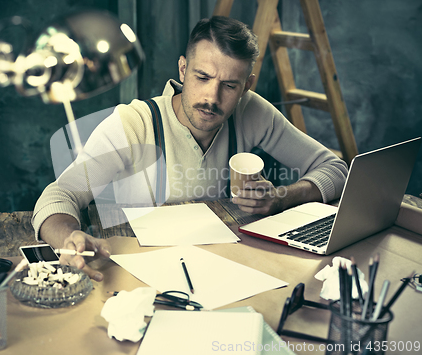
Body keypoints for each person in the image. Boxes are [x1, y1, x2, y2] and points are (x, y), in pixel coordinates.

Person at [32, 16, 348, 280]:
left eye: (229, 85)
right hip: (141, 275)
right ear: (183, 70)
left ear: (246, 86)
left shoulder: (251, 111)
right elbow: (59, 196)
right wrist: (70, 239)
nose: (212, 97)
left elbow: (336, 170)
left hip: (226, 272)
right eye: (202, 77)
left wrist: (281, 197)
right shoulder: (132, 124)